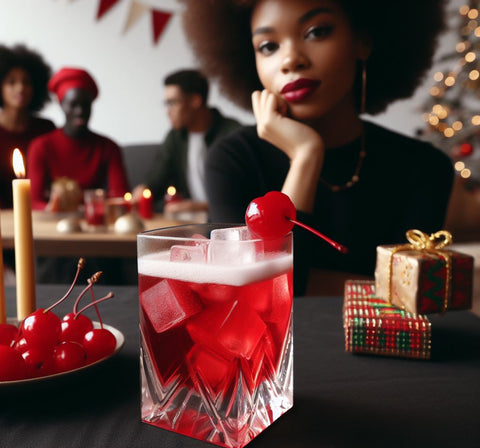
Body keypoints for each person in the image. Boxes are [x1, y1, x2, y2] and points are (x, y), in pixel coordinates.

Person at [180, 0, 454, 295]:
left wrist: (308, 281)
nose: (291, 60)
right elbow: (253, 291)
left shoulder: (425, 168)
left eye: (316, 31)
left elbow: (413, 294)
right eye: (269, 46)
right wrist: (306, 156)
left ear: (362, 41)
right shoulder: (232, 159)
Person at [132, 69, 241, 214]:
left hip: (227, 222)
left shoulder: (233, 134)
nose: (168, 111)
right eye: (166, 104)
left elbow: (244, 195)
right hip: (189, 223)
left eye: (172, 103)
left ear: (195, 101)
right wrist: (144, 190)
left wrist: (201, 206)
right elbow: (158, 178)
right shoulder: (175, 137)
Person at [27, 67, 129, 210]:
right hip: (54, 224)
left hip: (95, 224)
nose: (80, 111)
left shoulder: (108, 147)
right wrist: (50, 208)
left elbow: (120, 198)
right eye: (73, 104)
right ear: (62, 105)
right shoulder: (41, 146)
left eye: (85, 105)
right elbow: (33, 201)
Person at [0, 44, 55, 208]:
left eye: (27, 82)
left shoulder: (46, 130)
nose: (20, 88)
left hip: (39, 215)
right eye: (11, 82)